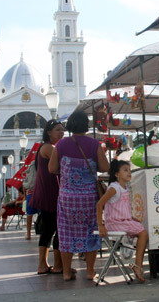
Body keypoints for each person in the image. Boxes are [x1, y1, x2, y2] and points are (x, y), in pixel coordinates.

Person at [49, 111, 110, 281]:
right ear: (86, 125)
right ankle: (90, 271)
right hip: (89, 198)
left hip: (67, 198)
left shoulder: (61, 145)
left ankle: (67, 272)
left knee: (66, 231)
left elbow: (51, 168)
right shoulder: (94, 144)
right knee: (91, 231)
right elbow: (105, 167)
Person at [96, 159, 148, 283]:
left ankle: (137, 265)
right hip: (115, 223)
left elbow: (120, 208)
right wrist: (100, 225)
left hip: (122, 221)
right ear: (117, 174)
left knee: (142, 230)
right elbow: (99, 205)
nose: (129, 173)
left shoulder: (125, 187)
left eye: (129, 170)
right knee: (143, 233)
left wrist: (131, 217)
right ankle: (137, 266)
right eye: (125, 170)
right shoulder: (114, 188)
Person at [29, 119, 65, 275]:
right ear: (49, 132)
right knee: (56, 228)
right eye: (58, 129)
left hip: (48, 192)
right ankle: (57, 265)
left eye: (62, 129)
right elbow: (64, 163)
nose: (61, 132)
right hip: (50, 193)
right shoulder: (49, 148)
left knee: (49, 229)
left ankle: (44, 264)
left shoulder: (49, 147)